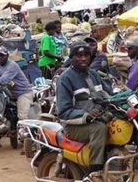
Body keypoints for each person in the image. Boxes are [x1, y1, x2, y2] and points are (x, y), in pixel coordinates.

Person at [56, 41, 111, 182]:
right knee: (99, 129)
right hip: (74, 125)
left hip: (97, 117)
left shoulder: (94, 74)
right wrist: (85, 115)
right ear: (72, 57)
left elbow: (106, 95)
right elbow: (63, 112)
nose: (83, 58)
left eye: (86, 55)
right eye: (79, 55)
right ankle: (95, 173)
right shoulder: (65, 79)